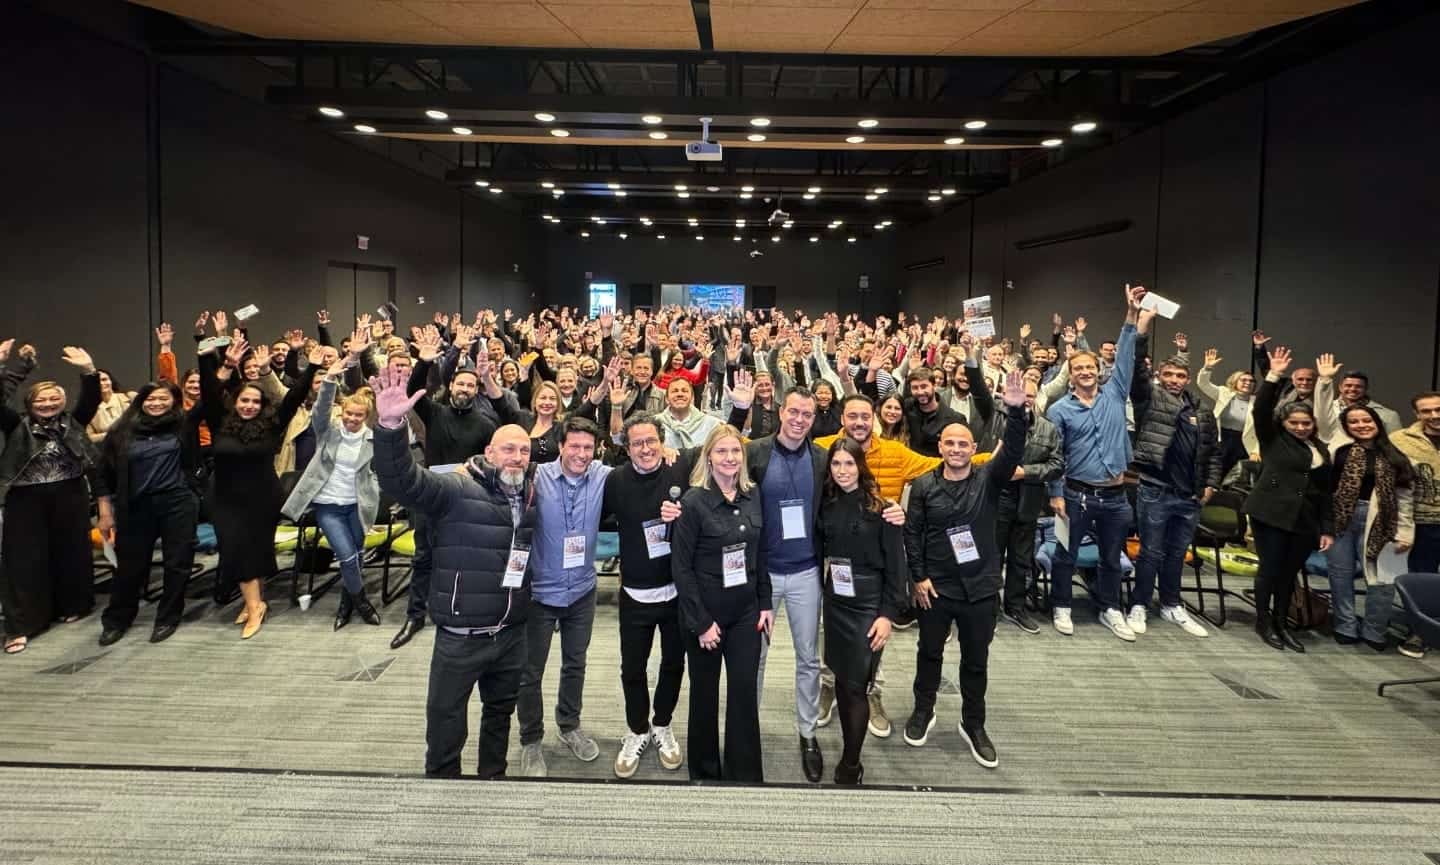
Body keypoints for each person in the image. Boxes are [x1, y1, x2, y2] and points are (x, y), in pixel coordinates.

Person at [370, 366, 536, 779]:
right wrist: (389, 428)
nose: (517, 457)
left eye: (524, 451)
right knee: (446, 720)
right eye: (509, 449)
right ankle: (443, 786)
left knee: (499, 715)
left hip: (511, 634)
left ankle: (492, 777)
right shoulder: (457, 489)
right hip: (461, 637)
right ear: (489, 452)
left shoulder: (531, 495)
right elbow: (403, 482)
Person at [901, 370, 1028, 768]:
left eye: (963, 444)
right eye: (949, 443)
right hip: (935, 588)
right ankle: (923, 710)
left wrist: (1016, 411)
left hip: (980, 588)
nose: (956, 449)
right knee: (929, 653)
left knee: (975, 661)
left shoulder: (988, 478)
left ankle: (973, 724)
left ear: (974, 448)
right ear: (940, 447)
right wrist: (918, 577)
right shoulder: (923, 485)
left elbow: (1013, 449)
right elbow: (912, 533)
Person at [812, 393, 940, 733]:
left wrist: (991, 458)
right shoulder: (823, 448)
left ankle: (872, 692)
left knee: (873, 635)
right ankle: (829, 685)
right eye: (852, 416)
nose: (859, 422)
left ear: (875, 420)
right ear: (842, 419)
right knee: (828, 631)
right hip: (836, 562)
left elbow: (939, 464)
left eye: (865, 416)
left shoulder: (895, 452)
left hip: (875, 560)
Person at [391, 327, 506, 650]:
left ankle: (462, 612)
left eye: (471, 385)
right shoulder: (435, 413)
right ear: (452, 386)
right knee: (423, 556)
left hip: (467, 499)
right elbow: (413, 389)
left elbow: (491, 462)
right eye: (460, 384)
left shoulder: (486, 425)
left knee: (464, 558)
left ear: (477, 390)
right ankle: (415, 616)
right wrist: (424, 362)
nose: (465, 389)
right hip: (430, 495)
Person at [667, 424, 771, 782]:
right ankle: (705, 773)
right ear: (708, 457)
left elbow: (761, 553)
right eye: (722, 451)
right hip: (705, 615)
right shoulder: (693, 502)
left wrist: (766, 602)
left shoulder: (753, 495)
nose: (730, 458)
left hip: (746, 614)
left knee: (743, 692)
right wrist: (701, 623)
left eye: (735, 451)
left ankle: (744, 774)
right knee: (705, 694)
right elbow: (681, 568)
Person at [200, 337, 320, 639]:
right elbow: (209, 392)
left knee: (254, 549)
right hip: (225, 498)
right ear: (235, 401)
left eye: (255, 401)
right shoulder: (219, 422)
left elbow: (294, 397)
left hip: (262, 497)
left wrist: (312, 367)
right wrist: (219, 362)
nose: (250, 406)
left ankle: (254, 604)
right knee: (235, 549)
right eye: (244, 400)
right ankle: (255, 604)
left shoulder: (272, 424)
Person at [515, 416, 613, 777]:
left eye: (588, 447)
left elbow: (642, 467)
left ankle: (569, 725)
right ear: (560, 446)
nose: (582, 454)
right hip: (540, 591)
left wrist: (666, 452)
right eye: (575, 446)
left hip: (583, 589)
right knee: (530, 671)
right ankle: (531, 739)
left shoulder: (601, 475)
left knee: (576, 663)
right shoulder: (535, 476)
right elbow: (493, 467)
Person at [1044, 286, 1142, 640]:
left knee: (1112, 557)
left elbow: (1127, 354)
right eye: (1078, 368)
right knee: (1065, 554)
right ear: (1070, 375)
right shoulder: (1059, 410)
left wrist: (1131, 315)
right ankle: (1062, 605)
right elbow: (1054, 456)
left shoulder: (1115, 394)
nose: (1085, 372)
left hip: (1116, 497)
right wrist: (1055, 493)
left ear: (1099, 370)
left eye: (1090, 367)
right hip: (1075, 495)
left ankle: (1110, 608)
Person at [601, 413, 691, 778]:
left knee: (673, 664)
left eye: (651, 440)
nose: (645, 449)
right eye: (637, 443)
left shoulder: (679, 468)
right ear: (626, 448)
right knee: (633, 668)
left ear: (662, 441)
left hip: (676, 591)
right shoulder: (615, 480)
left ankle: (662, 724)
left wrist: (684, 513)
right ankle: (637, 729)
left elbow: (722, 451)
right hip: (635, 593)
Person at [0, 342, 103, 654]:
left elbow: (92, 399)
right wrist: (8, 368)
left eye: (54, 398)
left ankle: (72, 604)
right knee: (24, 560)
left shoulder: (73, 422)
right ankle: (22, 625)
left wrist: (88, 371)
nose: (48, 404)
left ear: (63, 401)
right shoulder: (16, 425)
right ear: (30, 404)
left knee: (71, 553)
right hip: (26, 498)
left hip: (70, 494)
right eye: (41, 400)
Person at [815, 437, 906, 784]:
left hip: (868, 604)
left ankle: (852, 762)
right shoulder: (827, 503)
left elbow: (897, 568)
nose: (842, 471)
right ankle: (849, 749)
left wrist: (887, 616)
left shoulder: (882, 508)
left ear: (861, 466)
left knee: (855, 685)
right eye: (836, 464)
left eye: (849, 463)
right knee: (841, 677)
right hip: (836, 601)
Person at [1127, 317, 1221, 638]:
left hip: (1189, 496)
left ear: (1188, 379)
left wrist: (1211, 484)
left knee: (1178, 554)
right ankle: (1139, 604)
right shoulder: (1150, 399)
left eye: (1180, 375)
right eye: (1168, 374)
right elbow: (1137, 370)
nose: (1174, 380)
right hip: (1156, 490)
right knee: (1150, 552)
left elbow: (1213, 452)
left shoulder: (1202, 411)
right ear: (1159, 375)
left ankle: (1170, 603)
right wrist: (1141, 331)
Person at [279, 342, 383, 631]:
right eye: (348, 414)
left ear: (365, 417)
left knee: (357, 557)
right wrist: (329, 380)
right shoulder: (328, 433)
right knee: (347, 556)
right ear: (343, 412)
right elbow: (321, 410)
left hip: (357, 506)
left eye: (358, 416)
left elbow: (377, 473)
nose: (352, 419)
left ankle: (345, 605)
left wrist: (373, 491)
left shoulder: (372, 440)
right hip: (329, 506)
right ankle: (362, 602)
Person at [95, 379, 204, 645]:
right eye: (151, 399)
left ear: (174, 401)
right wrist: (105, 512)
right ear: (141, 401)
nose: (156, 403)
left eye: (163, 398)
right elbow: (103, 475)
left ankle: (168, 617)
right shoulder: (122, 431)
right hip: (135, 505)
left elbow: (210, 398)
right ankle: (117, 620)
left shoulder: (184, 426)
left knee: (177, 563)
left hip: (177, 502)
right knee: (129, 566)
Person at [1245, 346, 1333, 652]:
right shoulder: (1273, 440)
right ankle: (1263, 622)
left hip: (1305, 520)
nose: (1300, 427)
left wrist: (1327, 528)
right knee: (1270, 570)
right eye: (1294, 423)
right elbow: (1260, 410)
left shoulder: (1320, 449)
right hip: (1270, 513)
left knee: (1288, 574)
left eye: (1306, 423)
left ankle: (1282, 623)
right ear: (1283, 424)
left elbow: (1325, 492)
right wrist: (1273, 375)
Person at [1326, 405, 1414, 650]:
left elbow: (1405, 498)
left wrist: (1405, 532)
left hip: (1382, 522)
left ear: (1377, 422)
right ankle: (1345, 625)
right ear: (1346, 428)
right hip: (1341, 521)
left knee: (1382, 580)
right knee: (1340, 576)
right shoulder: (1339, 452)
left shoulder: (1395, 454)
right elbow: (1326, 489)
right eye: (1353, 422)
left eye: (1366, 420)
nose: (1361, 425)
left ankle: (1375, 630)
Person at [993, 376, 1064, 634]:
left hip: (1029, 499)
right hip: (997, 497)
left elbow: (1057, 465)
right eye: (1021, 395)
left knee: (1021, 558)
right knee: (992, 556)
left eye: (1030, 396)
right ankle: (990, 608)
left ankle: (1015, 607)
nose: (1025, 401)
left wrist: (1026, 472)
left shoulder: (1048, 428)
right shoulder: (996, 420)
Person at [1392, 391, 1440, 659]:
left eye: (1438, 409)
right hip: (1423, 522)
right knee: (1423, 577)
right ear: (1417, 414)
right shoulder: (1400, 440)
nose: (1434, 415)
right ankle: (1420, 632)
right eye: (1427, 411)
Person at [1314, 353, 1404, 447]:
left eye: (1358, 386)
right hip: (1335, 455)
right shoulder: (1327, 410)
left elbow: (1397, 447)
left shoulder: (1387, 415)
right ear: (1340, 387)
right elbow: (1322, 408)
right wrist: (1325, 379)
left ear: (1365, 389)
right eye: (1348, 385)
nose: (1353, 389)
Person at [1197, 349, 1256, 477]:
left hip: (1243, 442)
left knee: (1236, 477)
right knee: (1215, 473)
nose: (1248, 383)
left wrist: (1256, 451)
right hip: (1221, 438)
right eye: (1243, 380)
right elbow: (1203, 384)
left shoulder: (1256, 402)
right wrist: (1207, 368)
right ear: (1235, 381)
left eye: (1251, 381)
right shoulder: (1224, 393)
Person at [655, 379, 722, 449]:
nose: (680, 394)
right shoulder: (654, 423)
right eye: (675, 391)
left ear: (692, 398)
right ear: (666, 399)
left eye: (685, 391)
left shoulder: (712, 425)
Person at [86, 368, 133, 443]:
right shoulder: (88, 410)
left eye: (104, 379)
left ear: (111, 381)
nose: (101, 383)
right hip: (108, 448)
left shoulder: (130, 397)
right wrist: (110, 435)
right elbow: (89, 438)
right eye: (97, 381)